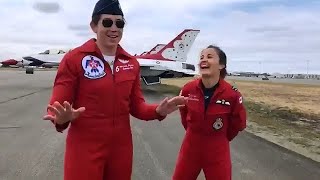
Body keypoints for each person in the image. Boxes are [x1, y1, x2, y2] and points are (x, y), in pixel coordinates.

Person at [42, 0, 186, 179]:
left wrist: (157, 110)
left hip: (121, 149)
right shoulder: (73, 59)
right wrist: (62, 119)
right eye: (107, 22)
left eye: (120, 23)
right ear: (94, 26)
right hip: (84, 148)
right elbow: (57, 107)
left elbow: (136, 106)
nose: (114, 28)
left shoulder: (131, 63)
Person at [172, 45, 247, 180]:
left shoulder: (232, 95)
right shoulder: (188, 89)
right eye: (201, 57)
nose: (203, 60)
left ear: (221, 65)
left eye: (209, 57)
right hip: (190, 148)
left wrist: (220, 138)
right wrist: (194, 132)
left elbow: (238, 124)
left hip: (217, 151)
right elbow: (184, 114)